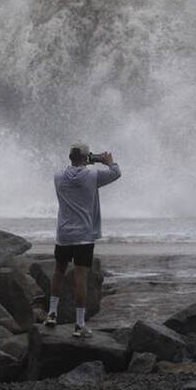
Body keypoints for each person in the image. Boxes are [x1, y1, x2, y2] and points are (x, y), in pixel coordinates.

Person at [47, 142, 121, 337]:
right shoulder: (92, 176)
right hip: (84, 237)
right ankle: (79, 325)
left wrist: (87, 161)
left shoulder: (58, 176)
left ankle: (51, 313)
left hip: (63, 235)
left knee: (58, 272)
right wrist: (107, 161)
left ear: (70, 157)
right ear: (87, 158)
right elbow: (116, 173)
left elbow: (75, 173)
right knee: (80, 278)